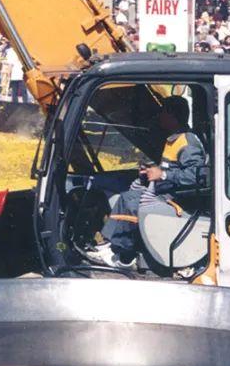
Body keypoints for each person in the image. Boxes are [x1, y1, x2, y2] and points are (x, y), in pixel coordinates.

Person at [87, 96, 206, 270]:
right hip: (165, 190)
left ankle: (125, 257)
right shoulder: (173, 138)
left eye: (162, 112)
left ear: (172, 116)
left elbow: (197, 176)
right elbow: (171, 167)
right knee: (127, 197)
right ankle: (112, 246)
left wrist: (163, 174)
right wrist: (152, 171)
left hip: (178, 198)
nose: (159, 117)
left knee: (132, 202)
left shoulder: (187, 142)